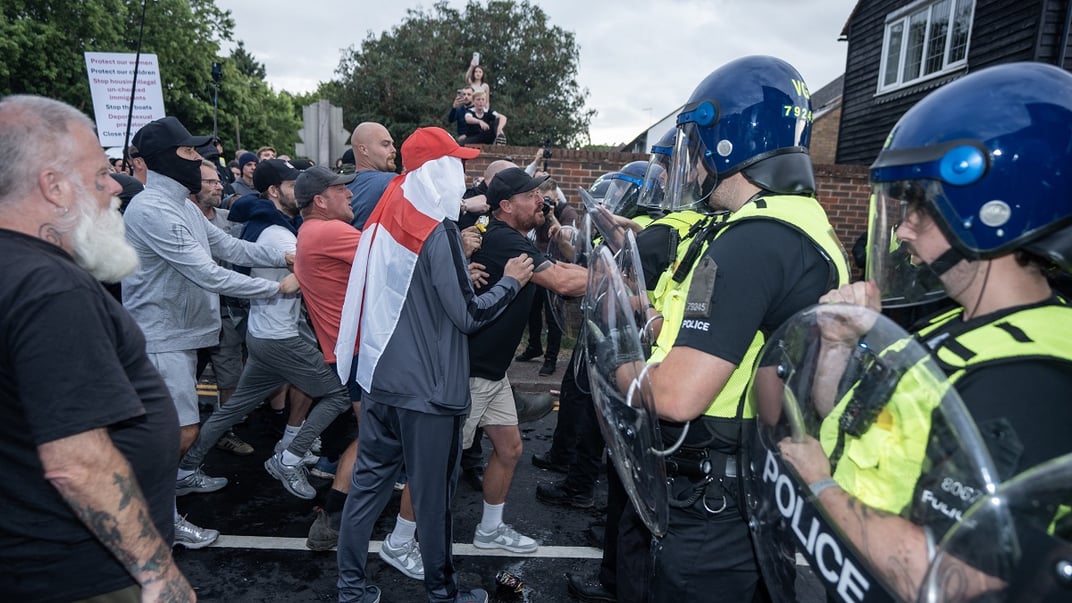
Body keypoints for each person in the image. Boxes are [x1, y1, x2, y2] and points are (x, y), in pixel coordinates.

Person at [777, 61, 1072, 602]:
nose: (904, 230)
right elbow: (856, 426)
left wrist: (821, 486)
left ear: (993, 211)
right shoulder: (954, 323)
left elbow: (953, 578)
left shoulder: (1027, 377)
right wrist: (839, 347)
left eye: (922, 209)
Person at [622, 56, 850, 602]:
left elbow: (676, 396)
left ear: (730, 142)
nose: (697, 167)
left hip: (715, 504)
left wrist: (618, 365)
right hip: (754, 483)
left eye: (699, 148)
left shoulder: (752, 239)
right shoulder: (805, 224)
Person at [0, 95, 194, 601]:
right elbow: (77, 461)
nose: (116, 186)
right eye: (101, 174)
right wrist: (158, 574)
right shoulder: (50, 287)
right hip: (85, 573)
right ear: (54, 187)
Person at [334, 127, 535, 603]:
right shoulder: (437, 228)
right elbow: (468, 315)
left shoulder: (388, 213)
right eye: (457, 165)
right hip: (430, 393)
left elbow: (407, 289)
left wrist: (458, 264)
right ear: (437, 170)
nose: (463, 175)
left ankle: (351, 589)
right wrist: (510, 281)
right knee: (434, 501)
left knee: (366, 491)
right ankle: (443, 593)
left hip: (381, 380)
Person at [121, 115, 300, 547]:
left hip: (186, 333)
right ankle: (160, 522)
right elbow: (208, 273)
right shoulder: (152, 209)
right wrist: (276, 288)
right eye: (187, 151)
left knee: (179, 431)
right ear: (164, 159)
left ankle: (177, 483)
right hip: (162, 338)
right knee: (178, 433)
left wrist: (286, 258)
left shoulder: (182, 205)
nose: (197, 159)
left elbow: (228, 247)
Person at [178, 159, 355, 502]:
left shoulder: (268, 226)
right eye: (291, 185)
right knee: (338, 395)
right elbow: (306, 269)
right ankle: (288, 459)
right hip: (279, 337)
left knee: (233, 409)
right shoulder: (279, 234)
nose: (298, 192)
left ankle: (186, 469)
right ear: (274, 192)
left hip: (263, 334)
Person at [293, 166, 425, 582]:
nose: (350, 195)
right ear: (320, 200)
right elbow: (393, 255)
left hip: (350, 354)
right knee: (379, 440)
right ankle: (337, 521)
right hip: (363, 355)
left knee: (375, 437)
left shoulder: (309, 233)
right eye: (341, 190)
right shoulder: (327, 231)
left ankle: (335, 517)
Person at [464, 167, 589, 557]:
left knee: (510, 448)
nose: (542, 200)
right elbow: (562, 282)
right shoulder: (504, 240)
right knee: (436, 463)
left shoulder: (516, 237)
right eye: (531, 196)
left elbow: (563, 268)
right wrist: (616, 281)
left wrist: (601, 272)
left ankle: (490, 530)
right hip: (470, 374)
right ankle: (402, 538)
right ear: (505, 205)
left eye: (540, 194)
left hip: (493, 373)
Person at [347, 121, 398, 230]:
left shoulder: (339, 188)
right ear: (363, 149)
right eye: (385, 144)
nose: (393, 150)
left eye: (392, 144)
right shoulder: (393, 182)